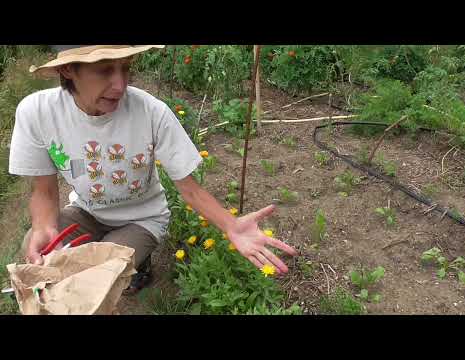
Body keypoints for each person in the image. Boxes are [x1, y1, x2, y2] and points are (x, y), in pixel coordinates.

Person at [9, 45, 298, 294]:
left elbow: (190, 190)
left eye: (125, 68)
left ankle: (135, 259)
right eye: (104, 70)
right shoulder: (37, 113)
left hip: (142, 218)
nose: (120, 85)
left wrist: (231, 225)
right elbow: (44, 190)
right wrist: (44, 227)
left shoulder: (150, 112)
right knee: (39, 255)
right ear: (68, 70)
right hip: (87, 211)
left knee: (96, 279)